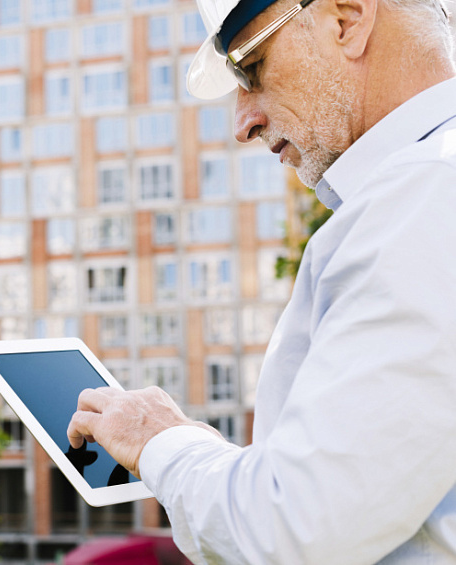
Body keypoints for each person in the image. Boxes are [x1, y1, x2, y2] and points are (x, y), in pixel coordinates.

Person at [66, 0, 456, 561]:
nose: (243, 122)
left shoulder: (422, 201)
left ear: (346, 19)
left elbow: (296, 528)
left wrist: (158, 440)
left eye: (251, 68)